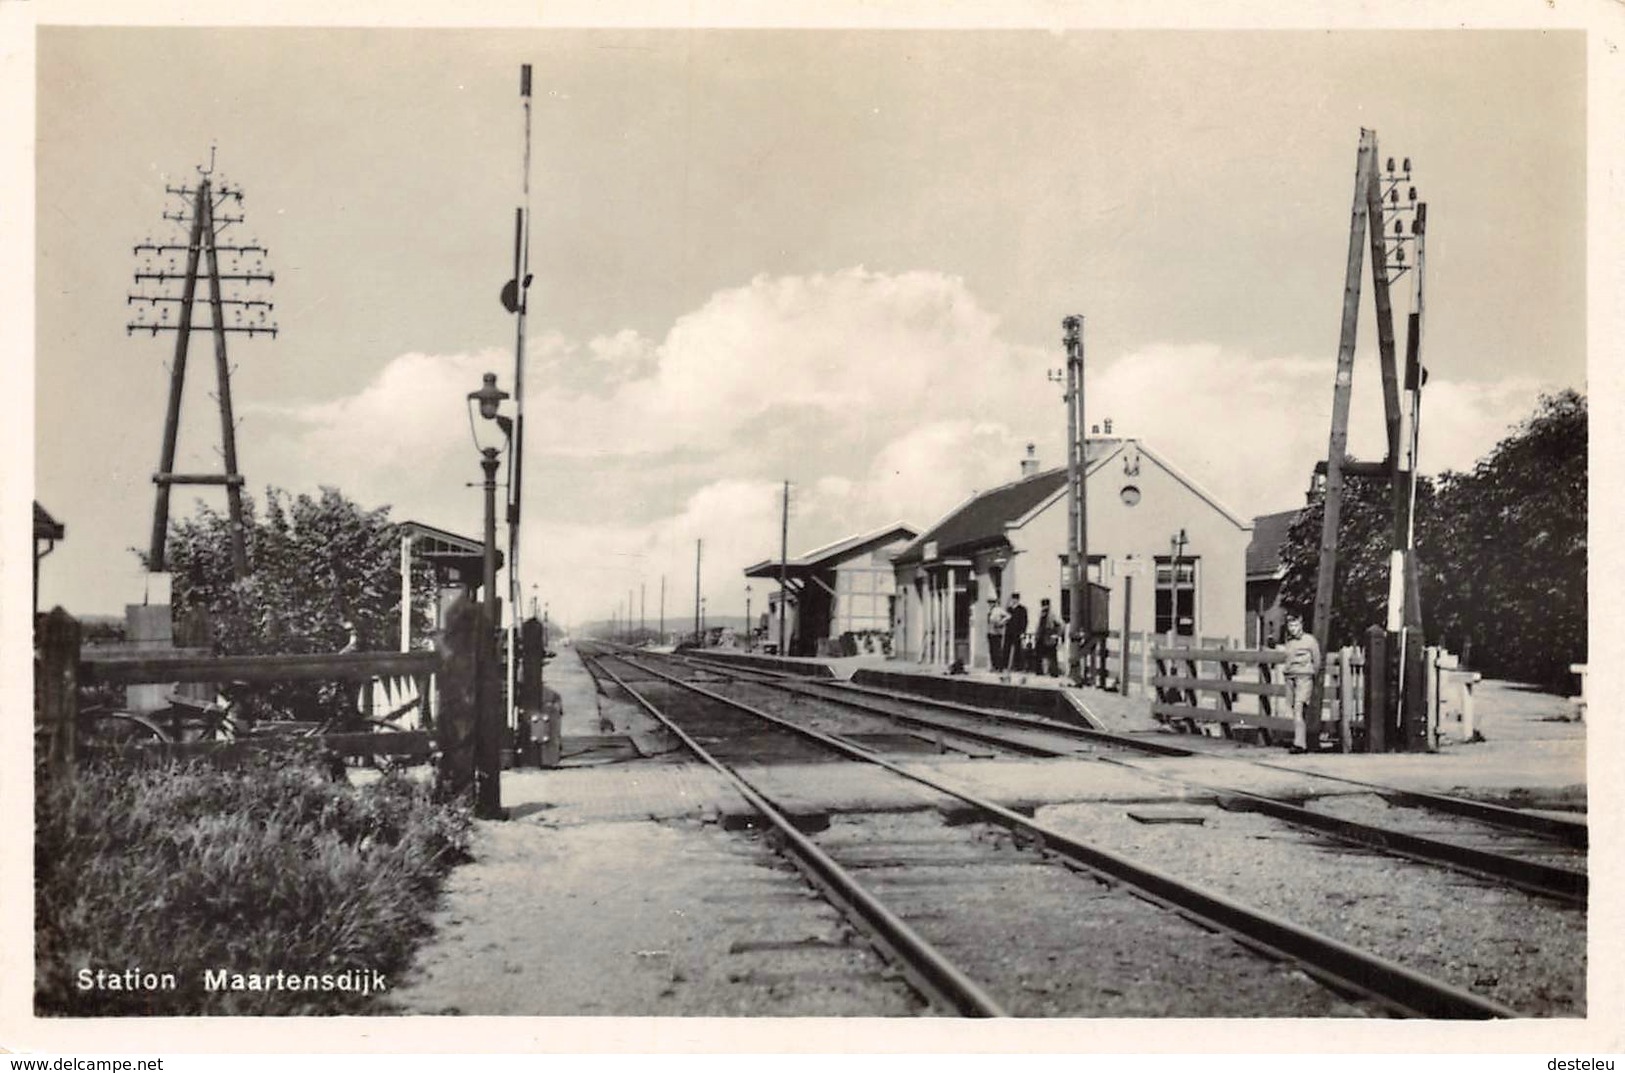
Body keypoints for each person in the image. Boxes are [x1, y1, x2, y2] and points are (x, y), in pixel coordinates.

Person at [1281, 613, 1322, 753]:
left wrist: (1310, 674)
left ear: (1301, 624)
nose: (1293, 628)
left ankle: (1300, 744)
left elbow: (1317, 661)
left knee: (1299, 707)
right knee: (1293, 709)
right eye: (1290, 626)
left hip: (1304, 677)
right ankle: (1300, 740)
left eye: (1295, 625)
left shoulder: (1310, 640)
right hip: (1290, 676)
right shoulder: (1289, 642)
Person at [1003, 592, 1029, 680]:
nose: (1014, 601)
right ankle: (1006, 666)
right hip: (1009, 632)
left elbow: (1024, 621)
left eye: (1015, 599)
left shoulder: (1022, 609)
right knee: (1006, 648)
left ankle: (1019, 667)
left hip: (1018, 632)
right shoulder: (1009, 609)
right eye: (1013, 599)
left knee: (1018, 650)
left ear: (1018, 600)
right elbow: (1005, 619)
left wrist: (1023, 632)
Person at [1035, 598, 1062, 677]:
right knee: (1038, 655)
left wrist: (1056, 635)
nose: (1044, 607)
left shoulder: (1053, 614)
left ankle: (1054, 672)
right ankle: (1039, 671)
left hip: (1049, 637)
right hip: (1041, 637)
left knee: (1052, 656)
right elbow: (1039, 626)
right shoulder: (1041, 614)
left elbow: (1060, 625)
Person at [985, 597, 1009, 673]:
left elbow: (1008, 616)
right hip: (990, 632)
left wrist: (1001, 622)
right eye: (989, 603)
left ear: (995, 603)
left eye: (992, 603)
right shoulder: (989, 611)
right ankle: (994, 666)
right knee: (992, 650)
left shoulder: (998, 610)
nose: (990, 604)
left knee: (997, 650)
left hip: (997, 633)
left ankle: (1000, 667)